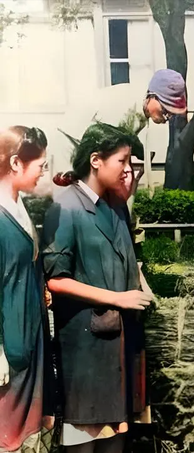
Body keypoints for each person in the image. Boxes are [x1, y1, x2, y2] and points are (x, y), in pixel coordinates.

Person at [42, 123, 152, 453]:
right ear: (95, 161)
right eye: (122, 161)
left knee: (116, 439)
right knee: (84, 440)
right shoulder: (66, 208)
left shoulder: (115, 206)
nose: (129, 169)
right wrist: (118, 298)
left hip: (116, 347)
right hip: (85, 351)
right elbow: (55, 280)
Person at [0, 126, 54, 453]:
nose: (43, 173)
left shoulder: (20, 208)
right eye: (40, 166)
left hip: (30, 340)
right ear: (17, 163)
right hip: (10, 350)